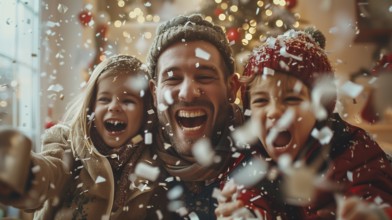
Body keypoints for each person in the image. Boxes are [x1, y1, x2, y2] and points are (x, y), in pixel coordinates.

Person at [215, 29, 392, 219]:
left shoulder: (352, 148)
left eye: (291, 99)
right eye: (260, 101)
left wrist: (371, 213)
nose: (274, 111)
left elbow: (373, 191)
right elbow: (246, 196)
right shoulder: (248, 159)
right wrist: (246, 214)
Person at [0, 55, 157, 219]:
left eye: (127, 101)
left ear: (145, 112)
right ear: (91, 106)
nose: (114, 107)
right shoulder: (67, 143)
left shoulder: (153, 159)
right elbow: (52, 171)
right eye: (104, 99)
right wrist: (26, 173)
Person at [145, 14, 243, 219]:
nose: (187, 93)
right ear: (154, 93)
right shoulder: (130, 160)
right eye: (172, 79)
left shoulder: (265, 156)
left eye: (205, 77)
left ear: (231, 88)